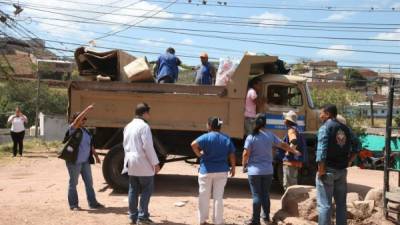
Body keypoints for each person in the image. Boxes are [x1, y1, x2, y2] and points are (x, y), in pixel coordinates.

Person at [242, 113, 300, 225]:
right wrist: (294, 151)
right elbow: (283, 145)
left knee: (257, 195)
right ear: (265, 123)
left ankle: (255, 220)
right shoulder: (270, 135)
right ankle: (266, 218)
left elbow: (245, 153)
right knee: (265, 194)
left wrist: (244, 165)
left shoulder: (251, 137)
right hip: (268, 171)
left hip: (254, 171)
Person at [316, 105, 360, 225]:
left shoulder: (325, 128)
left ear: (328, 114)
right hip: (341, 171)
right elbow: (357, 145)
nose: (320, 116)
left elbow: (321, 151)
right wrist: (349, 161)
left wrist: (321, 171)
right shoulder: (346, 129)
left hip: (327, 171)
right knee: (341, 204)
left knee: (325, 205)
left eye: (322, 113)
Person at [191, 117, 236, 225]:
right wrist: (233, 168)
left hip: (206, 170)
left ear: (209, 125)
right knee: (218, 197)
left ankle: (202, 220)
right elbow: (232, 154)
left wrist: (200, 155)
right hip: (222, 171)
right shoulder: (226, 138)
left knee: (204, 196)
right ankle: (218, 221)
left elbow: (193, 144)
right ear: (220, 126)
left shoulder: (206, 137)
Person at [122, 102, 161, 225]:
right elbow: (148, 147)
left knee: (133, 189)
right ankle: (143, 217)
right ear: (144, 113)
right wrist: (155, 163)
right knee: (146, 189)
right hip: (142, 161)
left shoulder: (128, 126)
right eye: (148, 112)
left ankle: (133, 216)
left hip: (130, 160)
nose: (149, 115)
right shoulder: (144, 126)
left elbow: (124, 145)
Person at [65, 103, 104, 211]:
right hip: (74, 161)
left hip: (85, 161)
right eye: (82, 119)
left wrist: (96, 156)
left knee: (89, 183)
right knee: (73, 183)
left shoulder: (85, 131)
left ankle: (93, 203)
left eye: (84, 119)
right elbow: (77, 121)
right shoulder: (73, 129)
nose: (83, 121)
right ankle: (73, 205)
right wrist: (87, 109)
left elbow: (90, 145)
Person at [277, 110, 306, 190]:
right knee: (293, 184)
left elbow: (294, 141)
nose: (283, 120)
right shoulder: (297, 129)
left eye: (284, 118)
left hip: (290, 162)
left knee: (288, 186)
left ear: (287, 121)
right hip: (295, 162)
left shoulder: (291, 130)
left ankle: (291, 202)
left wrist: (291, 151)